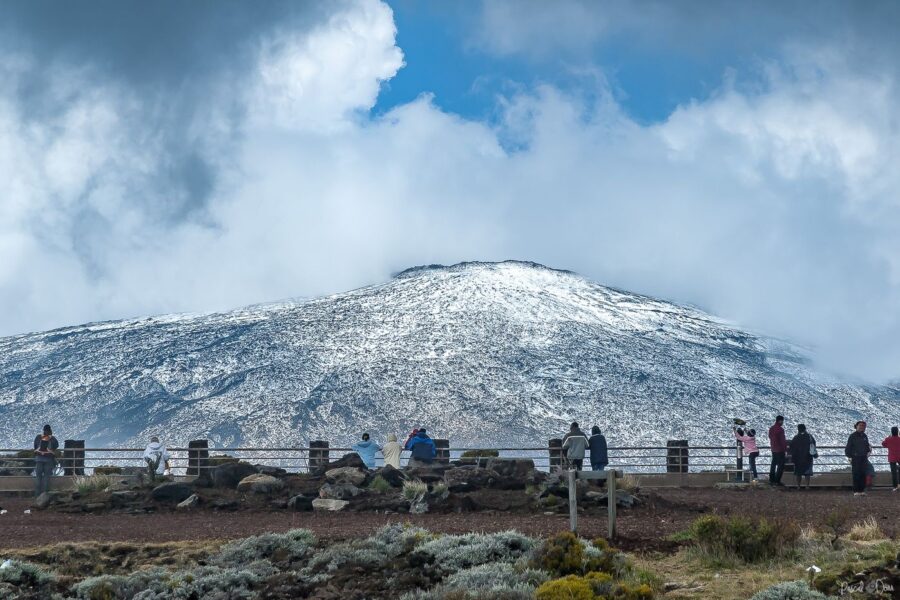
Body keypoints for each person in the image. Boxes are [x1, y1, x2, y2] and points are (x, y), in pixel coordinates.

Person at [846, 420, 872, 496]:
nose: (862, 427)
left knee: (863, 474)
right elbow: (848, 447)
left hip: (863, 457)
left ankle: (862, 490)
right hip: (855, 458)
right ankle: (856, 491)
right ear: (856, 426)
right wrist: (849, 456)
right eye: (860, 425)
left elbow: (867, 446)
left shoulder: (864, 436)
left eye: (863, 426)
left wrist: (868, 452)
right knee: (856, 474)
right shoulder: (852, 436)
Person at [33, 424, 59, 497]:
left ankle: (37, 495)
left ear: (43, 430)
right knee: (46, 477)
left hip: (39, 460)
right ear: (50, 430)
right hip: (48, 460)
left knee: (38, 477)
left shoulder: (38, 437)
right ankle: (44, 496)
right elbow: (56, 445)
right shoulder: (52, 438)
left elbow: (35, 447)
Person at [789, 424, 815, 490]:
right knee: (807, 473)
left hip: (798, 458)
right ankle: (807, 486)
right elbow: (813, 445)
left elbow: (791, 446)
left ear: (798, 429)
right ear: (805, 429)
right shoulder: (809, 436)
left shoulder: (796, 437)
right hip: (808, 457)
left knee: (798, 473)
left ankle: (798, 486)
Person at [768, 415, 787, 486]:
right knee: (780, 466)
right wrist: (785, 449)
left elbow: (770, 437)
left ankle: (771, 479)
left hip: (773, 449)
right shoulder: (780, 430)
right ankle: (777, 480)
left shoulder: (771, 428)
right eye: (782, 421)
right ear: (780, 421)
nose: (782, 422)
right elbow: (783, 441)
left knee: (773, 464)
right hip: (780, 450)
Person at [882, 427, 900, 491]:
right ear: (897, 431)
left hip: (892, 457)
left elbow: (884, 444)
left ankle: (895, 486)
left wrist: (889, 437)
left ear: (891, 432)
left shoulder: (888, 439)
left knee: (894, 472)